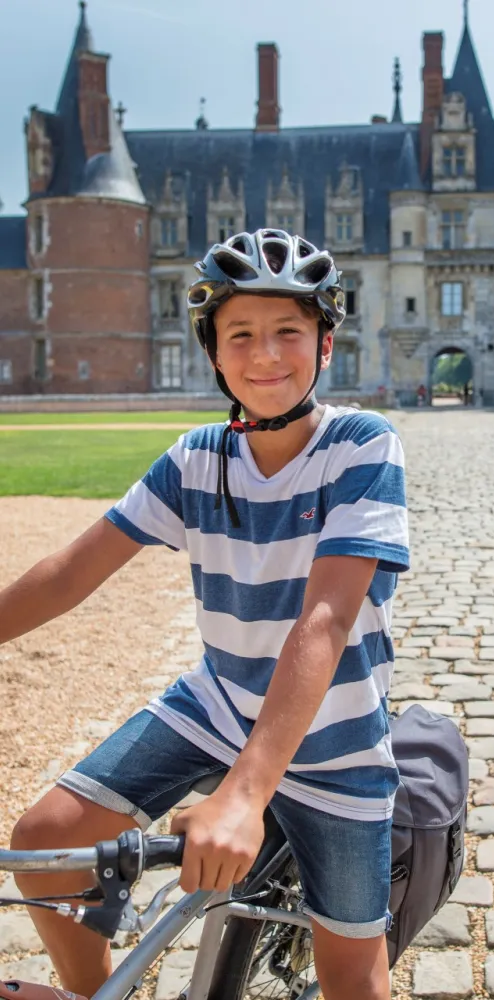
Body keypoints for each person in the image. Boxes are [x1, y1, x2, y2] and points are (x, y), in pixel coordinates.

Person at [2, 229, 410, 1000]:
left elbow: (324, 620)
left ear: (325, 346)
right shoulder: (196, 458)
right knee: (46, 845)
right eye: (240, 335)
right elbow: (71, 573)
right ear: (214, 354)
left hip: (337, 740)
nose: (265, 354)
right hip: (218, 704)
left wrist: (246, 795)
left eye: (288, 331)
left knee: (355, 978)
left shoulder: (362, 445)